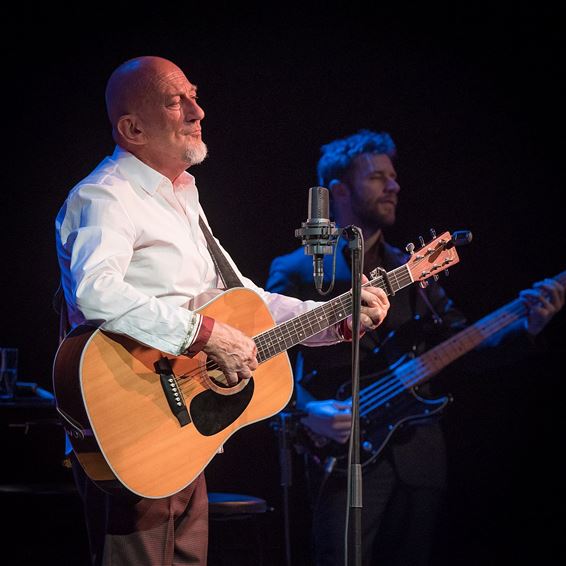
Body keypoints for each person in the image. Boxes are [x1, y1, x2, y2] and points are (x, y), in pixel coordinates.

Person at [54, 59, 391, 566]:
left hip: (182, 434)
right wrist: (205, 334)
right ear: (132, 128)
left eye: (194, 96)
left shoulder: (184, 197)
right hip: (130, 424)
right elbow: (97, 292)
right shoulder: (106, 196)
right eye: (176, 101)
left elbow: (246, 298)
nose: (197, 111)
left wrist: (334, 319)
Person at [265, 129, 565, 566]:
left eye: (394, 176)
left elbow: (465, 347)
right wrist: (310, 411)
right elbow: (271, 356)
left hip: (418, 453)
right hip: (339, 449)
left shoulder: (416, 266)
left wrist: (529, 326)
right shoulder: (296, 268)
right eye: (377, 177)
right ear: (339, 190)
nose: (394, 186)